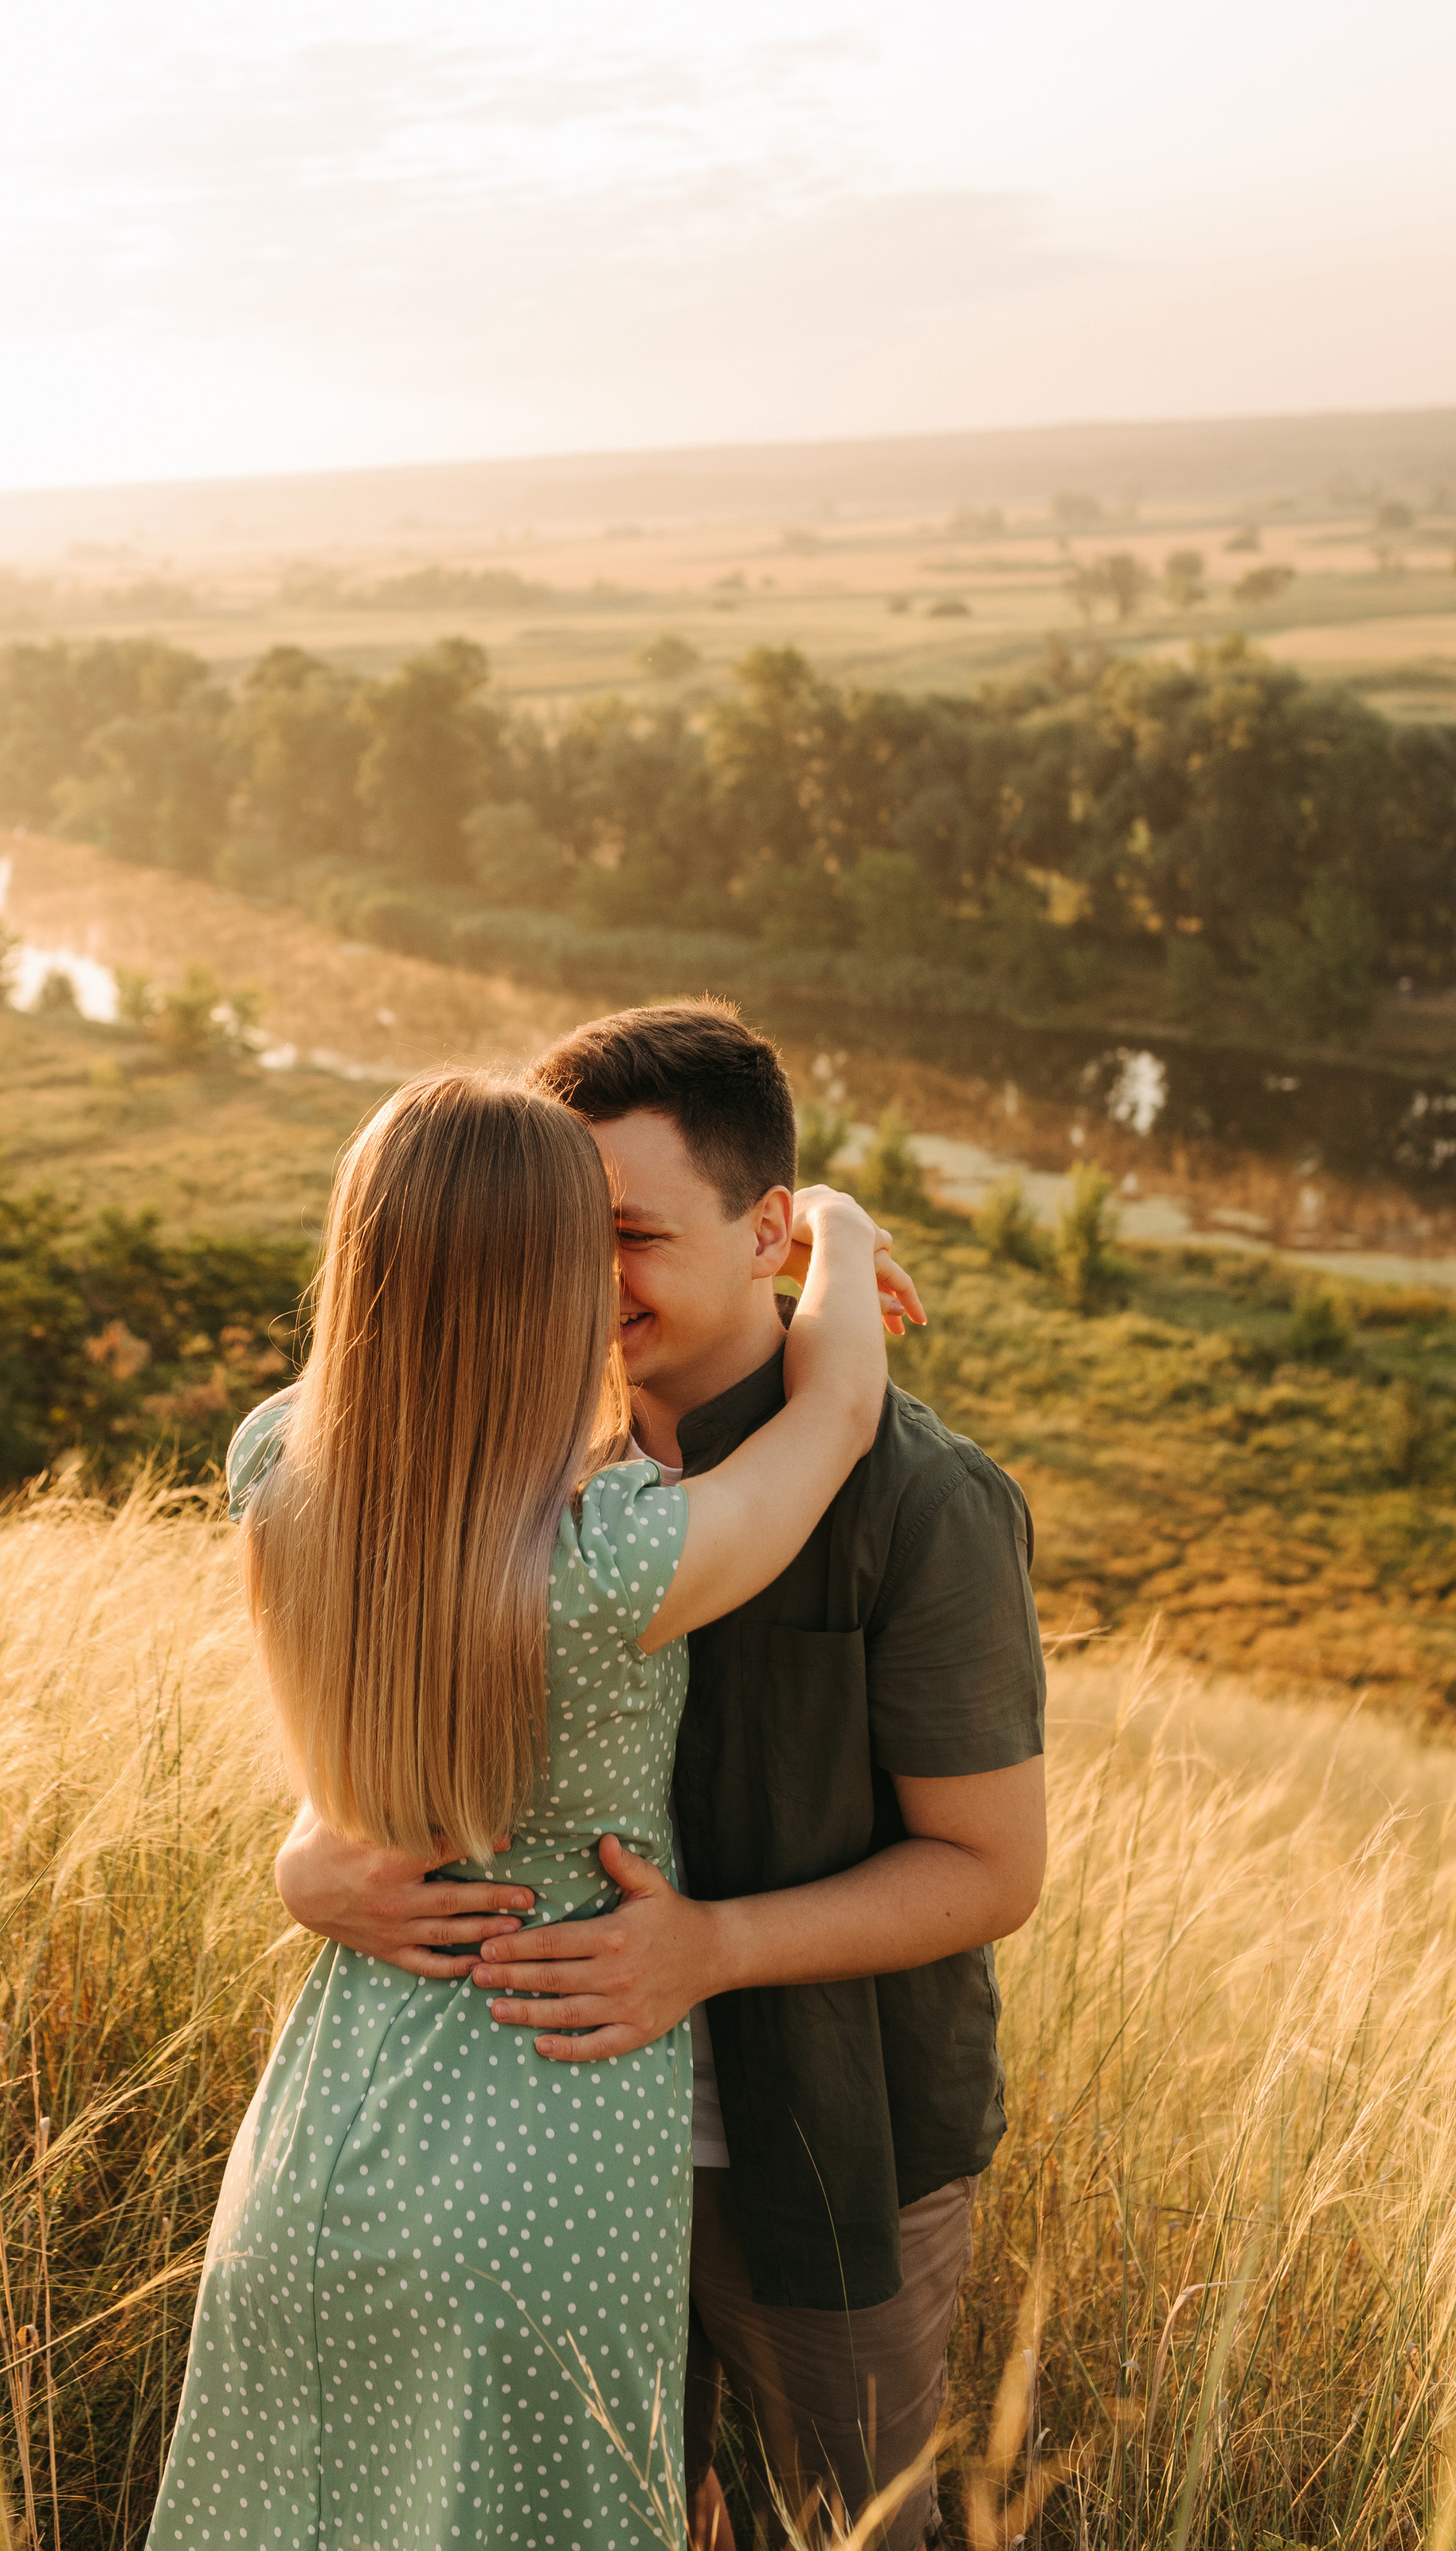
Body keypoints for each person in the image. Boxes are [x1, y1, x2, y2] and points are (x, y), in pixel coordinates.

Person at [278, 1005, 1047, 2551]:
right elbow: (400, 1741)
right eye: (565, 1235)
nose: (584, 1280)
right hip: (544, 2134)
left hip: (825, 2147)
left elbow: (988, 1870)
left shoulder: (919, 1503)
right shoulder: (504, 1459)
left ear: (763, 1231)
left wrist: (713, 1949)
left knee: (860, 2529)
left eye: (630, 1234)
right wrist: (308, 1857)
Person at [145, 1068, 914, 2549]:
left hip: (315, 2148)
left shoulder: (278, 1473)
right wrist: (828, 1218)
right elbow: (839, 1409)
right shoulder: (611, 1559)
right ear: (555, 1288)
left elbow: (389, 1401)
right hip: (544, 2149)